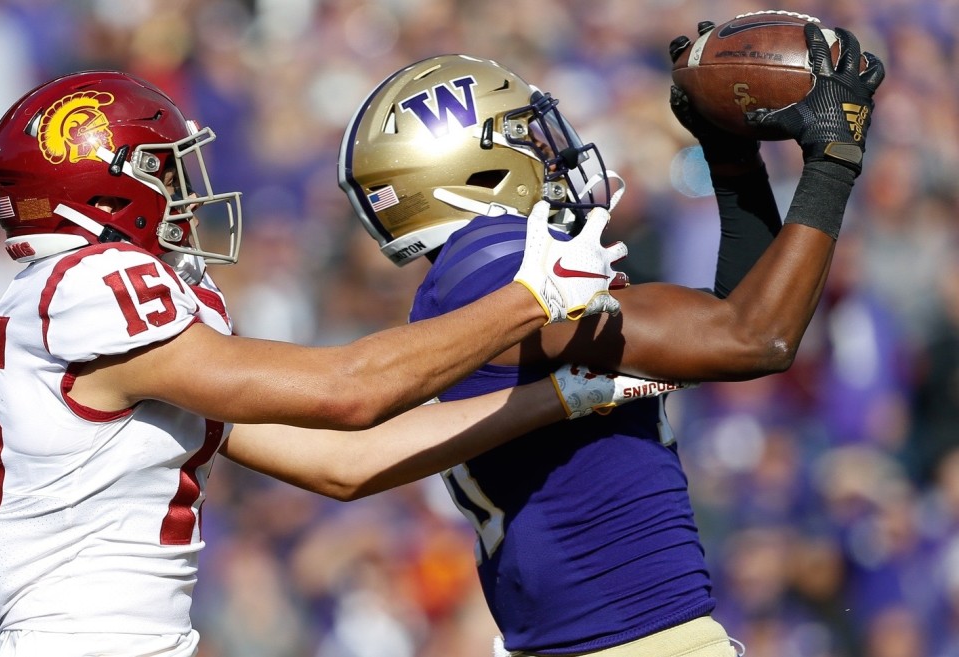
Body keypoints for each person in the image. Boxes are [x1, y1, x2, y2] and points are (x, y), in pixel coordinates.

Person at [0, 69, 684, 657]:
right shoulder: (86, 282)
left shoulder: (98, 320)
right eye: (164, 170)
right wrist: (535, 294)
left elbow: (344, 461)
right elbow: (347, 393)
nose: (185, 194)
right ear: (103, 187)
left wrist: (569, 394)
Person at [337, 20, 883, 657]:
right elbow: (756, 337)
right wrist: (833, 160)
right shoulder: (490, 268)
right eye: (523, 137)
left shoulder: (469, 278)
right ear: (474, 169)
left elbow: (730, 327)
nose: (552, 152)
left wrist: (732, 162)